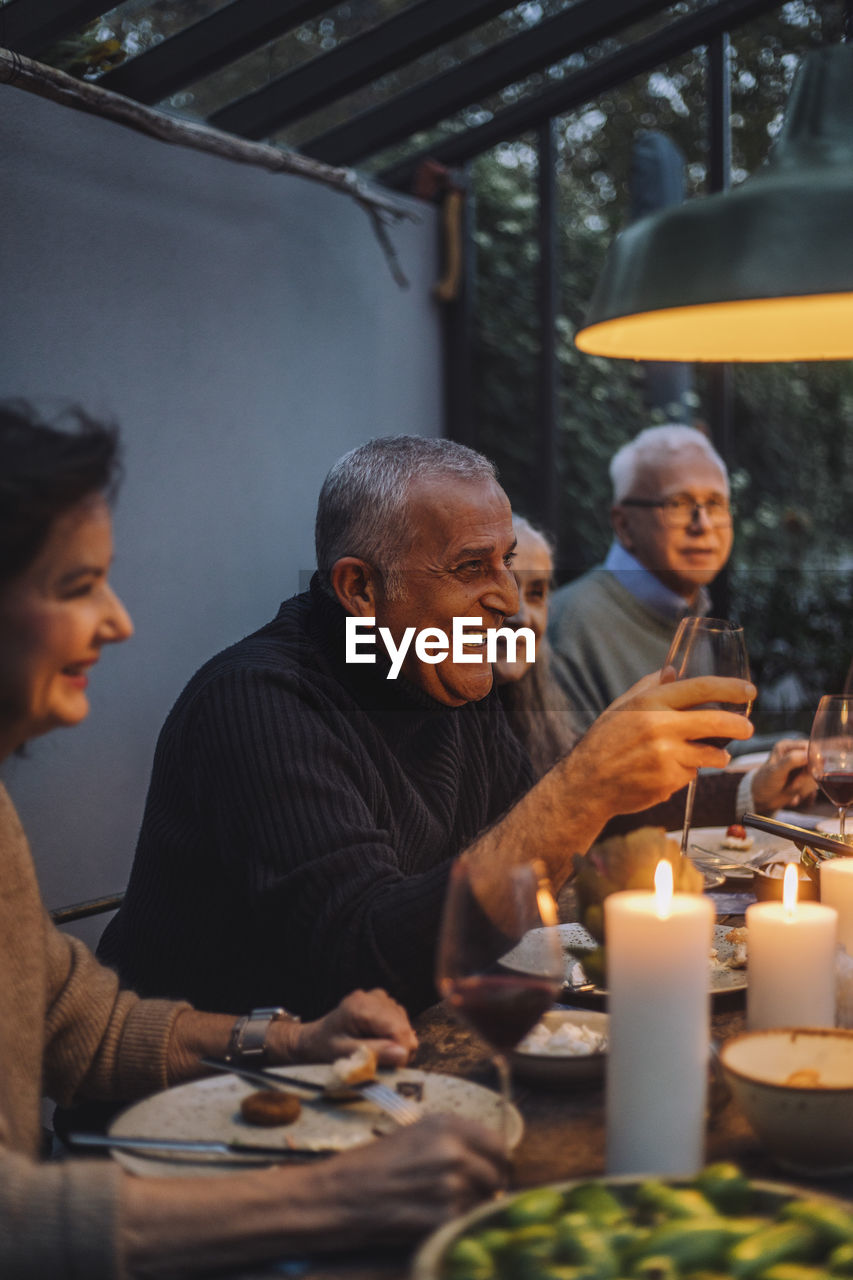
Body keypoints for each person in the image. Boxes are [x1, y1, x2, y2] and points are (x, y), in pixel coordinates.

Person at [0, 404, 506, 1278]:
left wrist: (287, 1042)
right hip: (153, 1164)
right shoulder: (259, 701)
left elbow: (79, 1021)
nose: (119, 622)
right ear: (358, 590)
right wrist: (333, 1202)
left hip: (270, 1106)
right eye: (77, 586)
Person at [100, 435, 756, 1020]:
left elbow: (526, 845)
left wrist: (639, 774)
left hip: (381, 1067)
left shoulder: (440, 675)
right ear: (360, 590)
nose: (505, 602)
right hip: (204, 1109)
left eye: (507, 562)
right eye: (472, 568)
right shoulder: (260, 701)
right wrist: (582, 785)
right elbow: (361, 964)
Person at [495, 517, 817, 827]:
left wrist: (755, 787)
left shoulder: (533, 706)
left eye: (536, 593)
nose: (521, 615)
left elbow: (613, 809)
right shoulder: (578, 626)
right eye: (499, 586)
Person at [548, 423, 736, 731]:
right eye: (678, 503)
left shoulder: (692, 612)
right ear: (623, 525)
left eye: (715, 504)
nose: (702, 524)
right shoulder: (568, 623)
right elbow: (572, 774)